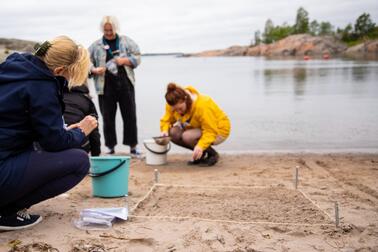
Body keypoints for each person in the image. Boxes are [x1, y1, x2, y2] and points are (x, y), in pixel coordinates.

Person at [0, 36, 97, 230]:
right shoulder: (41, 85)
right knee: (79, 161)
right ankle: (7, 212)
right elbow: (54, 144)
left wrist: (61, 132)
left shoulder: (14, 67)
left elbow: (16, 122)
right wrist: (81, 132)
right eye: (69, 75)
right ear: (59, 70)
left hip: (7, 152)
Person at [88, 16, 141, 157]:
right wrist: (94, 70)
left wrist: (124, 60)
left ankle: (133, 148)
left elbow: (137, 56)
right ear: (102, 30)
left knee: (130, 116)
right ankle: (110, 148)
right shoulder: (95, 45)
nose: (109, 33)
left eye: (111, 30)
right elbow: (86, 62)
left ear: (115, 28)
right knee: (107, 118)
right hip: (104, 86)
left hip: (126, 83)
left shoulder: (126, 41)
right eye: (106, 30)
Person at [160, 83, 231, 166]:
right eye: (175, 110)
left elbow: (210, 130)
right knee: (172, 133)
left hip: (219, 130)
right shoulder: (172, 104)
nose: (179, 112)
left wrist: (201, 145)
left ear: (185, 99)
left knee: (187, 136)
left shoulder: (203, 105)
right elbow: (166, 120)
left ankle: (213, 154)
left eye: (180, 108)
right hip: (198, 128)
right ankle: (200, 155)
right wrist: (164, 130)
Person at [63, 83, 101, 156]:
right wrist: (96, 156)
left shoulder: (54, 97)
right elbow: (94, 133)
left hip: (55, 144)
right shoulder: (86, 100)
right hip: (79, 146)